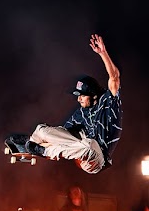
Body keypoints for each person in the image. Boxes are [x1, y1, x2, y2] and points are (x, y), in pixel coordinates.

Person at [25, 34, 121, 174]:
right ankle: (32, 143)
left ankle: (46, 150)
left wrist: (103, 53)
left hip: (97, 159)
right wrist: (43, 141)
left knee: (90, 144)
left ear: (93, 95)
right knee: (42, 129)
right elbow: (62, 136)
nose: (79, 99)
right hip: (79, 148)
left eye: (82, 96)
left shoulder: (107, 103)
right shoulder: (80, 113)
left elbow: (114, 77)